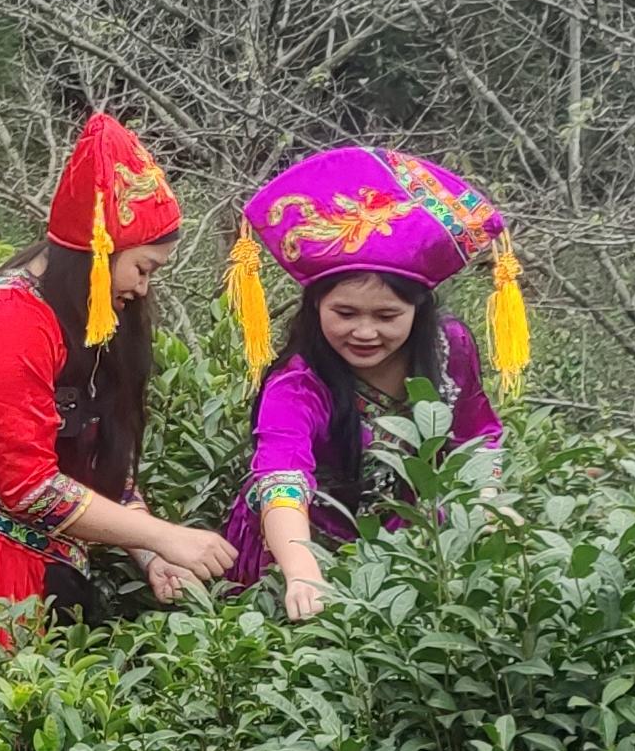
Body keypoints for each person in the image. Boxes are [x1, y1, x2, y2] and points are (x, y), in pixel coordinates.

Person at [0, 112, 239, 630]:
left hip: (37, 569)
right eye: (143, 268)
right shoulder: (10, 319)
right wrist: (163, 536)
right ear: (99, 253)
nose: (142, 288)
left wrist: (152, 555)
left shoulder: (77, 319)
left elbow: (94, 460)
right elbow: (31, 487)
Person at [221, 146, 525, 619]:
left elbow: (475, 437)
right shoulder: (297, 383)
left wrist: (484, 508)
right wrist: (302, 572)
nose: (364, 332)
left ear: (418, 312)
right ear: (315, 307)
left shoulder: (450, 348)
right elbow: (281, 478)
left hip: (413, 540)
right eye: (345, 313)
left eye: (387, 316)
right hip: (299, 547)